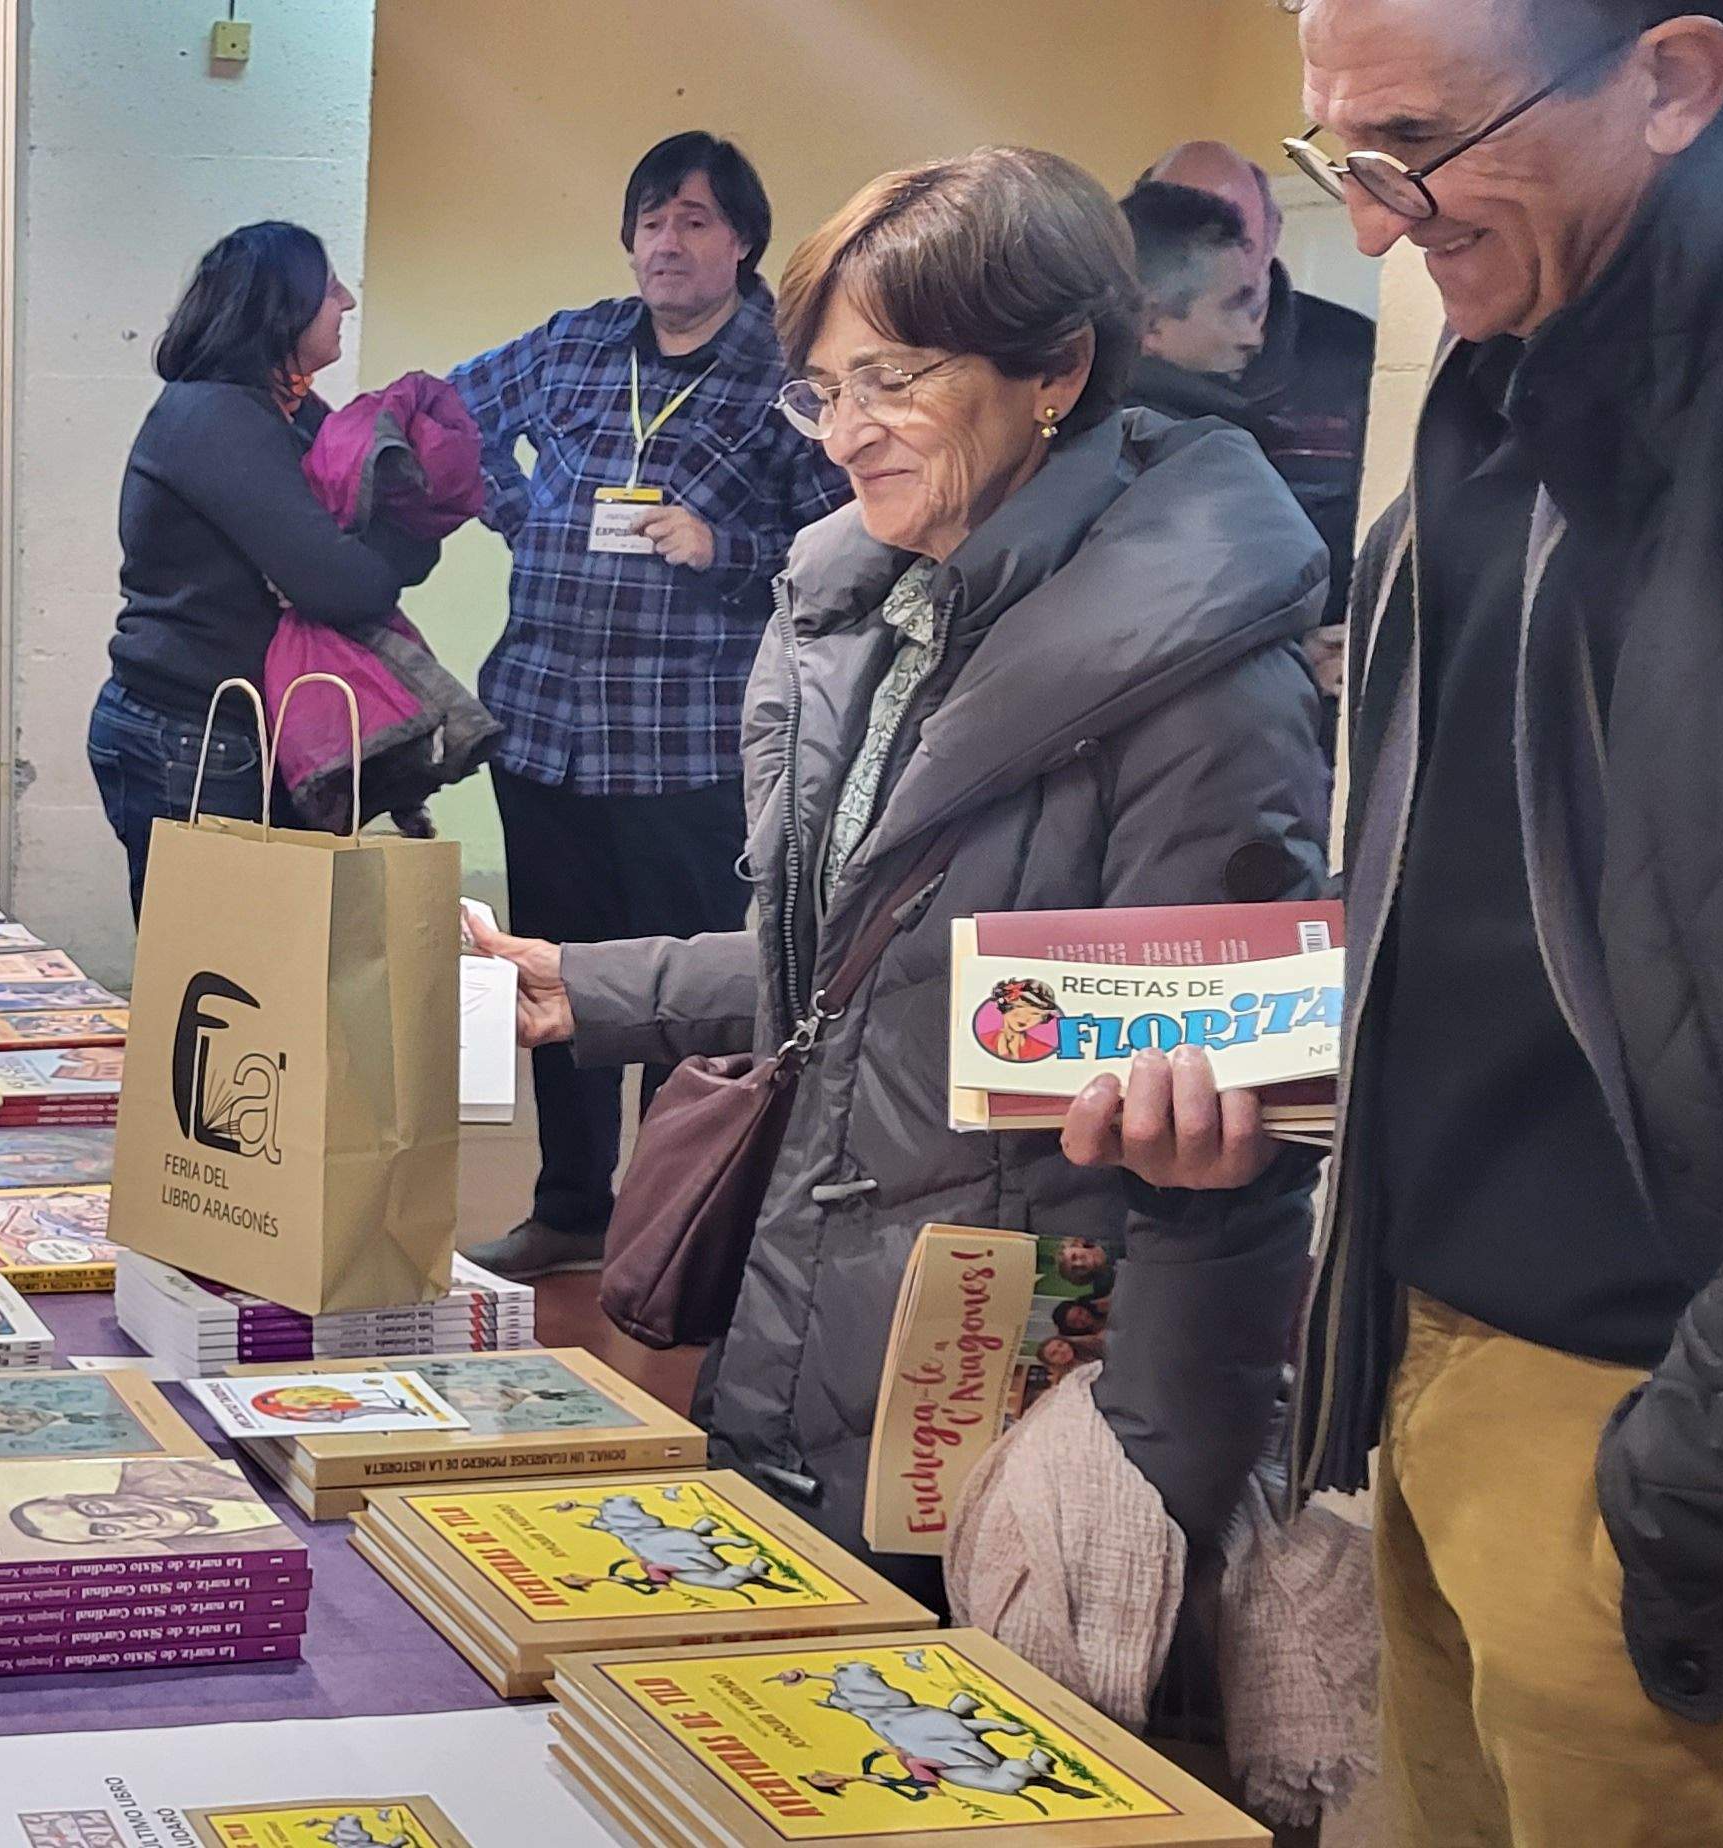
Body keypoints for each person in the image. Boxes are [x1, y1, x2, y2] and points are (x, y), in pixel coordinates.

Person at [1078, 2, 1723, 1838]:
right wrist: (1269, 1076)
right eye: (1342, 154)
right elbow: (1504, 876)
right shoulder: (1514, 353)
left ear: (1673, 78)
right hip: (1433, 1349)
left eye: (1418, 143)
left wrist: (1704, 1462)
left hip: (1657, 1407)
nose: (1378, 223)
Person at [472, 151, 1331, 1622]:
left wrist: (1136, 1495)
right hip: (815, 1323)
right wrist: (587, 989)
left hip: (1004, 1392)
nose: (843, 436)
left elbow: (1232, 1150)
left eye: (894, 382)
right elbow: (877, 971)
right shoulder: (876, 601)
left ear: (1053, 371)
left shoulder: (1197, 686)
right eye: (822, 390)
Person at [444, 133, 851, 1280]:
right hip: (545, 730)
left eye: (694, 221)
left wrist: (728, 548)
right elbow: (445, 418)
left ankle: (671, 1230)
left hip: (687, 752)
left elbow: (850, 538)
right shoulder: (574, 343)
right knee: (548, 978)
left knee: (683, 1004)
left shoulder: (790, 374)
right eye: (650, 221)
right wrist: (512, 510)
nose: (666, 242)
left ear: (743, 242)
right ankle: (570, 1209)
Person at [90, 220, 441, 915]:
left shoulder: (294, 412)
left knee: (266, 977)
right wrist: (358, 557)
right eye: (329, 288)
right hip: (193, 733)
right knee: (216, 979)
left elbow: (409, 537)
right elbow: (340, 585)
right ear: (281, 309)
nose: (346, 301)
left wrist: (372, 550)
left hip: (244, 731)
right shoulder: (216, 415)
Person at [1137, 140, 1378, 632]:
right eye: (1182, 233)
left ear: (1272, 234)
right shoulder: (1096, 377)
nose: (1204, 255)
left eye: (1233, 235)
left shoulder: (1360, 355)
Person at [1120, 182, 1275, 397]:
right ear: (1150, 324)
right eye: (1232, 308)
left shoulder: (1070, 412)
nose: (1253, 338)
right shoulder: (1212, 428)